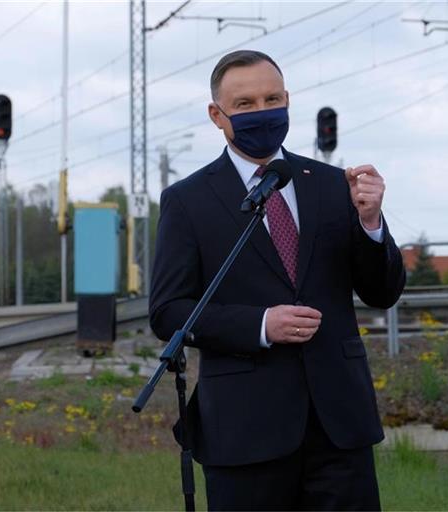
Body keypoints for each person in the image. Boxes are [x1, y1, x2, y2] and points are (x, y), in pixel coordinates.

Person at [150, 49, 407, 511]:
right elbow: (169, 310)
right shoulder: (188, 201)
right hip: (244, 430)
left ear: (287, 99)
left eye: (272, 99)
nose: (261, 112)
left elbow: (382, 292)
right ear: (217, 114)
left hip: (339, 427)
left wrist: (371, 224)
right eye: (245, 104)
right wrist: (260, 325)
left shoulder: (333, 185)